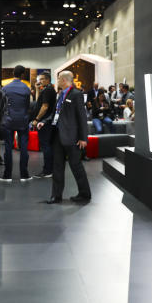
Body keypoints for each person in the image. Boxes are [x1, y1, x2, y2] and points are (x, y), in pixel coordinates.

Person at [45, 70, 91, 205]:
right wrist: (44, 121)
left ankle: (85, 193)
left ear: (64, 80)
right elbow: (55, 113)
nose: (57, 81)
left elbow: (82, 117)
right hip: (58, 136)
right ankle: (56, 195)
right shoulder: (60, 95)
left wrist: (83, 138)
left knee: (76, 166)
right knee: (57, 167)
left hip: (72, 137)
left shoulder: (76, 94)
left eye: (58, 78)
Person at [0, 65, 32, 182]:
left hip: (8, 120)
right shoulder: (26, 88)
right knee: (24, 147)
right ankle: (24, 175)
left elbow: (2, 105)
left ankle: (7, 175)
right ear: (22, 74)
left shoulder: (6, 88)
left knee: (8, 147)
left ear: (13, 73)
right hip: (23, 120)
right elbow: (29, 106)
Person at [31, 72, 56, 179]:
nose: (39, 81)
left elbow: (44, 106)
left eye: (41, 79)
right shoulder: (46, 90)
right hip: (46, 122)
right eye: (38, 79)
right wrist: (37, 90)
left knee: (46, 146)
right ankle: (49, 169)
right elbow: (38, 103)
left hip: (45, 122)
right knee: (46, 146)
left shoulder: (48, 90)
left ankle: (47, 170)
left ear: (47, 80)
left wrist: (37, 119)